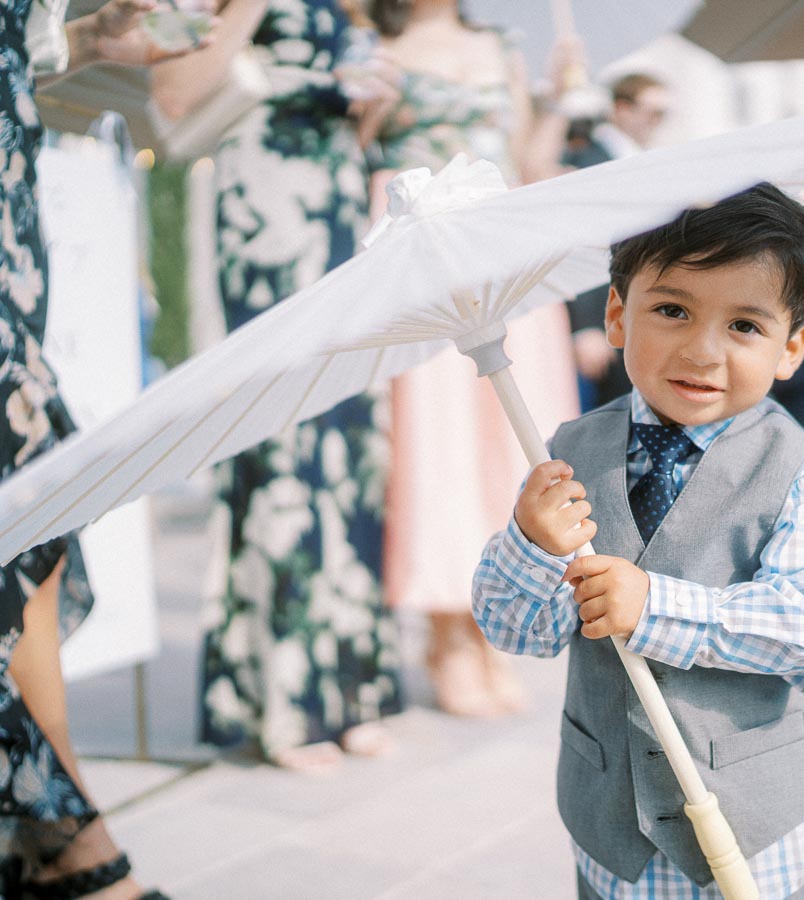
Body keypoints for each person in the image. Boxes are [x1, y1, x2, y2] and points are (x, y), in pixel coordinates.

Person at [473, 183, 804, 898]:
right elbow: (519, 630)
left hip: (766, 838)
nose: (701, 350)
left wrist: (658, 609)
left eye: (745, 327)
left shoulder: (798, 473)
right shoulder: (569, 452)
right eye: (671, 310)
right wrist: (532, 544)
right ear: (616, 314)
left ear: (792, 347)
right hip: (616, 838)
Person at [151, 0, 405, 772]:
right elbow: (173, 98)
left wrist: (374, 106)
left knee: (352, 447)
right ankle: (283, 702)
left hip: (337, 214)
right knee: (284, 445)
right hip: (261, 221)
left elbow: (353, 131)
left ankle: (352, 689)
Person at [1, 0, 209, 893]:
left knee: (32, 528)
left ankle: (51, 833)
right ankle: (64, 836)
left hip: (13, 226)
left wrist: (85, 42)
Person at [370, 0, 579, 717]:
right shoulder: (377, 41)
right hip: (419, 247)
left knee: (512, 432)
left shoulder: (503, 47)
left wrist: (559, 99)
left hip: (499, 243)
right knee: (439, 436)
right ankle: (445, 632)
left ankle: (491, 619)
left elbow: (530, 162)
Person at [563, 72, 671, 411]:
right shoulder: (589, 162)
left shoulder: (639, 160)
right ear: (621, 109)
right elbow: (581, 245)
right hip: (602, 323)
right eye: (654, 112)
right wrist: (587, 326)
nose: (658, 123)